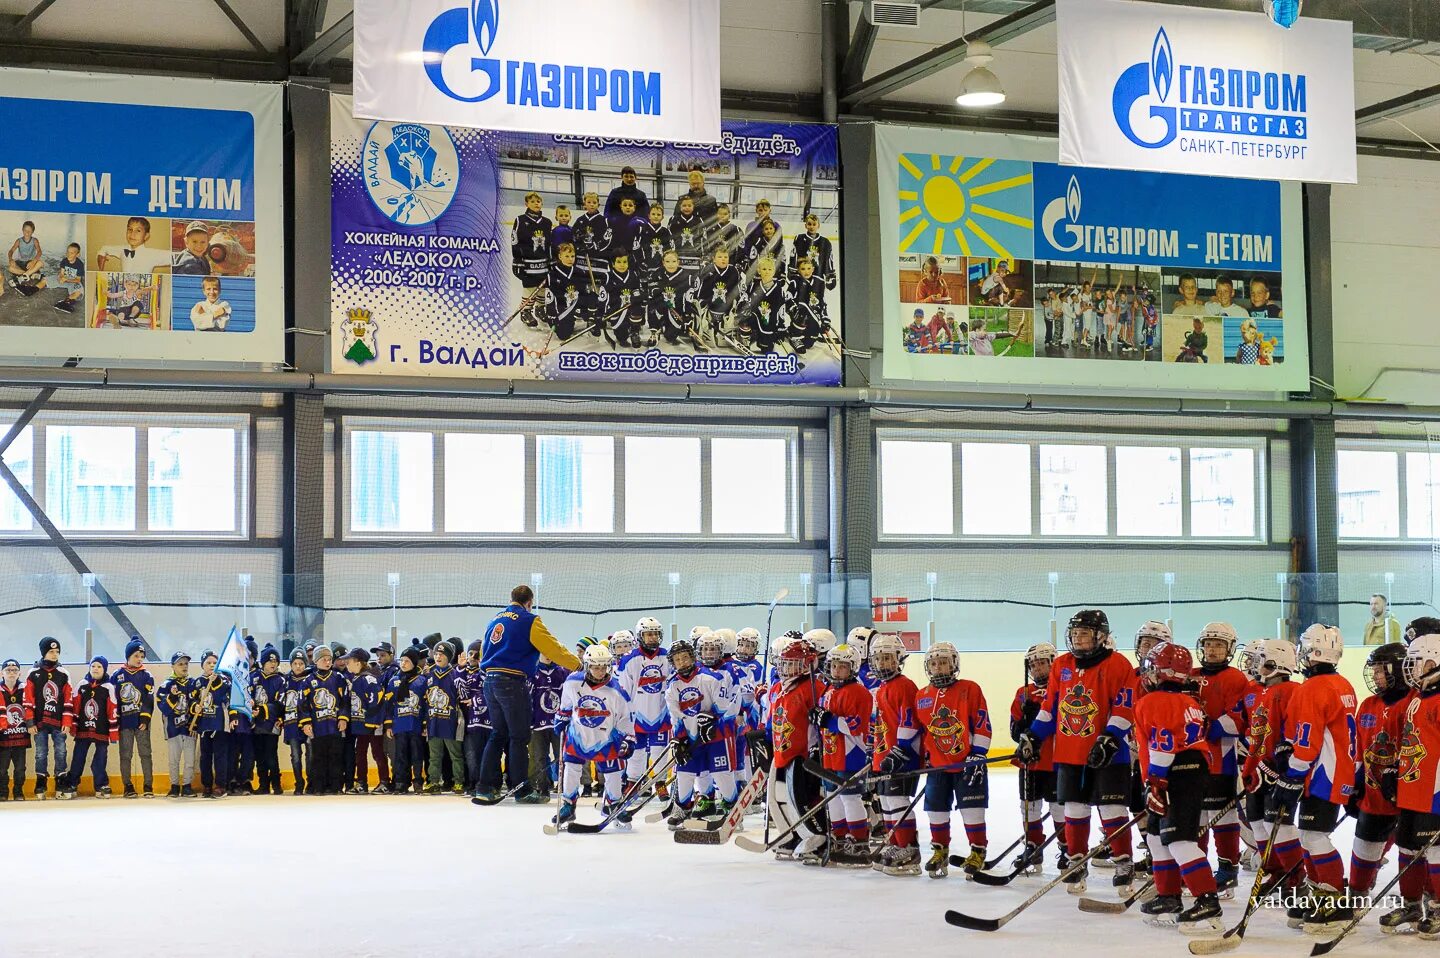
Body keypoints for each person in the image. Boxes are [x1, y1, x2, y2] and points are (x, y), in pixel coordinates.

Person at [1016, 609, 1137, 892]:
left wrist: (1110, 736)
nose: (1078, 638)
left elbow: (1125, 705)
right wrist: (1033, 736)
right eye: (1075, 634)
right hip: (1070, 753)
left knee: (1112, 808)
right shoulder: (1062, 665)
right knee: (1073, 807)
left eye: (1084, 633)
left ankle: (1123, 861)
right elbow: (1051, 708)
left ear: (1101, 636)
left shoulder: (1119, 664)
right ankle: (1076, 859)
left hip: (1108, 753)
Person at [1264, 625, 1358, 933]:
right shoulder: (1342, 683)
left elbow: (1308, 742)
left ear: (1311, 653)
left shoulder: (1312, 688)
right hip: (1337, 771)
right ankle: (1321, 893)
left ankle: (1335, 901)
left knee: (1315, 836)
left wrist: (1291, 774)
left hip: (1321, 775)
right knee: (1308, 835)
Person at [1133, 641, 1224, 932]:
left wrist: (1156, 784)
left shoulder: (1152, 702)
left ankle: (1207, 899)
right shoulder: (1189, 701)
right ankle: (1168, 895)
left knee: (1180, 840)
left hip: (1176, 772)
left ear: (1161, 671)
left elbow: (1163, 745)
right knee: (1157, 838)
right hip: (1189, 769)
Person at [476, 585, 581, 803]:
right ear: (530, 602)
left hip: (489, 681)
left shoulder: (494, 620)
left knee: (498, 734)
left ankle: (484, 787)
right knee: (519, 737)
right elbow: (553, 649)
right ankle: (520, 790)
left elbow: (483, 652)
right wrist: (577, 665)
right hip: (512, 682)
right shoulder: (529, 620)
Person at [913, 641, 992, 878]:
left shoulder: (970, 688)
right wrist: (923, 758)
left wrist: (978, 753)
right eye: (934, 664)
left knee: (972, 810)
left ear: (954, 664)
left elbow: (981, 721)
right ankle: (940, 850)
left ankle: (977, 851)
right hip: (938, 765)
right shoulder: (922, 695)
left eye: (944, 663)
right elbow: (922, 731)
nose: (939, 668)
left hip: (968, 762)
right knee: (936, 810)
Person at [1384, 633, 1440, 937]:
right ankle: (1411, 904)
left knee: (1436, 852)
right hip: (1411, 788)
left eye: (1419, 662)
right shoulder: (1417, 697)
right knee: (1406, 846)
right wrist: (1395, 768)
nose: (1413, 669)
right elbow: (1407, 740)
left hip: (1435, 792)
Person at [1239, 638, 1304, 895]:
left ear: (1276, 663)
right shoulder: (1263, 692)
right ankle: (1276, 871)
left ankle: (1296, 877)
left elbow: (1292, 735)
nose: (1256, 665)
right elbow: (1257, 735)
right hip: (1259, 769)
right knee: (1256, 822)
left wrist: (1278, 770)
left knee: (1279, 825)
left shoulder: (1292, 692)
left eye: (1262, 660)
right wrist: (1250, 767)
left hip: (1278, 772)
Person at [1348, 643, 1411, 907]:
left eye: (1380, 670)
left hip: (1407, 793)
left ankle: (1423, 897)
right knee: (1364, 844)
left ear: (1397, 669)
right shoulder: (1368, 704)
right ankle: (1358, 890)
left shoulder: (1413, 703)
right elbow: (1359, 750)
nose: (1375, 676)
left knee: (1413, 848)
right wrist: (1355, 783)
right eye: (1373, 670)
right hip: (1373, 794)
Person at [1190, 622, 1249, 894]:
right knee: (1196, 816)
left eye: (1218, 645)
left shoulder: (1235, 678)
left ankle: (1228, 869)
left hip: (1220, 759)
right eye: (1208, 644)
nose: (1212, 650)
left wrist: (1205, 727)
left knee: (1223, 816)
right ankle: (1196, 869)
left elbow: (1237, 720)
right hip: (1191, 759)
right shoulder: (1190, 675)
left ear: (1229, 649)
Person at [553, 644, 635, 829]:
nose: (600, 671)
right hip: (578, 735)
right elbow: (565, 706)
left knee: (612, 773)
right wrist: (561, 718)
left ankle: (614, 804)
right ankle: (568, 805)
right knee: (572, 768)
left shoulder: (617, 691)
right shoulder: (572, 682)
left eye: (604, 667)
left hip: (606, 739)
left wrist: (628, 739)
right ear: (587, 665)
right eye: (596, 667)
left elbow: (624, 719)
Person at [664, 636, 740, 828]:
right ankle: (683, 807)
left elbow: (723, 706)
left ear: (692, 656)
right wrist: (678, 740)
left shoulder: (712, 678)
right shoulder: (672, 687)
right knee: (684, 773)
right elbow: (677, 717)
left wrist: (713, 718)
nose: (681, 662)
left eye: (685, 657)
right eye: (677, 659)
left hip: (717, 737)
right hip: (691, 737)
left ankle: (732, 809)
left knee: (722, 773)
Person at [808, 643, 873, 867]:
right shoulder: (828, 691)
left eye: (842, 667)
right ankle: (839, 837)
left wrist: (828, 720)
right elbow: (823, 722)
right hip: (831, 754)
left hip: (852, 754)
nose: (836, 671)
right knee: (831, 797)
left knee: (850, 797)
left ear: (853, 668)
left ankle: (859, 842)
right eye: (834, 666)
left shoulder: (859, 692)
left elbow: (856, 725)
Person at [1011, 641, 1063, 874]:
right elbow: (1014, 732)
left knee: (1059, 808)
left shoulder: (1064, 688)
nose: (1037, 669)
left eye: (1042, 663)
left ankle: (1067, 848)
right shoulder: (1023, 694)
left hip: (1056, 759)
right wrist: (1023, 723)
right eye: (1033, 665)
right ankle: (1033, 846)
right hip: (1030, 761)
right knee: (1028, 807)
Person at [767, 635, 820, 860]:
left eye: (792, 663)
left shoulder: (814, 688)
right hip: (782, 751)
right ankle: (793, 834)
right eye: (785, 663)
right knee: (780, 797)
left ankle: (816, 836)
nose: (787, 668)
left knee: (800, 798)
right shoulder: (781, 687)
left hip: (802, 754)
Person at [60, 656, 119, 800]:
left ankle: (101, 785)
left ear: (104, 669)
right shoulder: (82, 685)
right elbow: (75, 706)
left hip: (101, 730)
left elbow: (112, 709)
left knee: (100, 758)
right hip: (83, 729)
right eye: (93, 666)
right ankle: (72, 783)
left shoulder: (108, 687)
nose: (95, 669)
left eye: (99, 666)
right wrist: (73, 726)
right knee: (78, 757)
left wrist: (113, 733)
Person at [299, 644, 349, 797]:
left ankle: (335, 786)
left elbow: (344, 700)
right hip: (318, 726)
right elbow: (302, 704)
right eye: (323, 659)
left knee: (335, 756)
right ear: (315, 661)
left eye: (329, 659)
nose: (327, 662)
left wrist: (343, 718)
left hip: (334, 726)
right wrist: (306, 722)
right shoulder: (308, 681)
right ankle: (318, 786)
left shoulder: (338, 678)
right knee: (318, 757)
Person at [25, 636, 71, 799]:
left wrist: (67, 721)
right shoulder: (33, 673)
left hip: (58, 721)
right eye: (51, 651)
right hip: (39, 722)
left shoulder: (63, 673)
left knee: (61, 751)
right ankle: (41, 781)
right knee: (41, 753)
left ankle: (61, 780)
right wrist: (30, 721)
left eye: (57, 651)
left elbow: (68, 699)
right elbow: (28, 700)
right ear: (44, 652)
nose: (54, 654)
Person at [414, 640, 462, 795]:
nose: (438, 656)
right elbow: (423, 699)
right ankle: (433, 781)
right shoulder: (428, 674)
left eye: (441, 654)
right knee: (434, 756)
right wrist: (423, 723)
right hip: (432, 721)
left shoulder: (455, 674)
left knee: (455, 754)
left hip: (450, 721)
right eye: (435, 653)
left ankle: (459, 781)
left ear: (449, 656)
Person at [110, 637, 155, 799]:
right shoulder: (117, 675)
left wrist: (145, 719)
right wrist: (116, 719)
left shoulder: (146, 675)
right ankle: (127, 785)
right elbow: (112, 698)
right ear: (128, 656)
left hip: (141, 722)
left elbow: (149, 698)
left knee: (145, 753)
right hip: (124, 722)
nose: (139, 659)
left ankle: (148, 785)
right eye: (136, 655)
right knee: (126, 754)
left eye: (142, 656)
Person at [190, 649, 233, 799]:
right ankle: (207, 785)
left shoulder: (224, 681)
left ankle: (220, 785)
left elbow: (227, 699)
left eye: (215, 663)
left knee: (220, 756)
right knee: (205, 757)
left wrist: (233, 717)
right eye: (208, 663)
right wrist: (194, 706)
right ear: (202, 665)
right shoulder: (198, 682)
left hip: (220, 725)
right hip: (205, 726)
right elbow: (192, 700)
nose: (212, 665)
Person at [344, 648, 386, 794]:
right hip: (360, 725)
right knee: (360, 753)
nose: (346, 664)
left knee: (378, 753)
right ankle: (361, 782)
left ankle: (384, 782)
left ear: (358, 662)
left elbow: (378, 698)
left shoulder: (369, 679)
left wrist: (372, 721)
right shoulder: (356, 678)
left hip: (372, 725)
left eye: (348, 661)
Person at [386, 644, 427, 795]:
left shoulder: (422, 681)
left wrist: (424, 724)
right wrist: (389, 724)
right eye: (401, 660)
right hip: (399, 724)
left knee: (417, 755)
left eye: (407, 661)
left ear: (414, 663)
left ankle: (417, 781)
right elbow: (389, 704)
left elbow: (425, 704)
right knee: (400, 755)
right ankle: (401, 782)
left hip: (415, 724)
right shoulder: (394, 681)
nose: (403, 663)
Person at [157, 652, 196, 797]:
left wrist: (195, 721)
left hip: (189, 728)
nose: (184, 666)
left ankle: (187, 785)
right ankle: (174, 786)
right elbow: (163, 708)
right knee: (174, 760)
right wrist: (172, 697)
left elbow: (196, 703)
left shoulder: (193, 683)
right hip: (172, 728)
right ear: (172, 666)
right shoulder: (166, 685)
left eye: (186, 663)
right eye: (180, 664)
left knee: (190, 760)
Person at [511, 192, 552, 327]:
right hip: (527, 262)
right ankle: (526, 311)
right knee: (529, 287)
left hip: (543, 262)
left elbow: (549, 243)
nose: (536, 203)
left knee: (543, 287)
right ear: (526, 204)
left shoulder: (547, 222)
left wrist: (551, 260)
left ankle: (540, 308)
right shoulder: (520, 220)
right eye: (533, 201)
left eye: (538, 201)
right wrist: (517, 259)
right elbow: (515, 240)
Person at [529, 653, 566, 800]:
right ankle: (542, 787)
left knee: (561, 757)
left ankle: (564, 786)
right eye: (544, 652)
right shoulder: (533, 672)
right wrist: (530, 721)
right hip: (538, 724)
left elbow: (567, 698)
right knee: (539, 757)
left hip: (558, 724)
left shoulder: (562, 672)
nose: (548, 655)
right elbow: (529, 697)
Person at [250, 646, 285, 795]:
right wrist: (251, 707)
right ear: (263, 662)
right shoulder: (254, 677)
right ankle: (263, 784)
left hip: (272, 724)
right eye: (270, 661)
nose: (273, 664)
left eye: (276, 661)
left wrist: (263, 710)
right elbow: (248, 696)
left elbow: (280, 703)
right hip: (256, 725)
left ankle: (276, 784)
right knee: (259, 756)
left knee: (271, 755)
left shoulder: (280, 680)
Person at [742, 257, 787, 353]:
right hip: (755, 315)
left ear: (774, 271)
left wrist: (780, 325)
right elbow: (747, 299)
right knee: (744, 320)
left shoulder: (778, 289)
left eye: (770, 269)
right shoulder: (754, 285)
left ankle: (761, 339)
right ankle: (747, 338)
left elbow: (781, 308)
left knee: (766, 348)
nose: (767, 272)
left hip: (769, 320)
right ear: (759, 271)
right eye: (764, 269)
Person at [281, 648, 310, 795]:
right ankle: (299, 782)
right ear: (291, 665)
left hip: (309, 723)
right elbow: (280, 703)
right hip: (291, 723)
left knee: (310, 754)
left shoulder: (310, 679)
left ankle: (311, 782)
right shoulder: (285, 681)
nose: (298, 666)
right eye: (295, 663)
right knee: (295, 755)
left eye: (301, 663)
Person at [0, 658, 30, 801]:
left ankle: (18, 791)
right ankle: (3, 792)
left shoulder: (25, 689)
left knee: (20, 769)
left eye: (15, 670)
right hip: (3, 737)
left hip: (20, 737)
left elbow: (30, 709)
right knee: (1, 769)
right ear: (2, 673)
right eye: (8, 670)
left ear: (19, 673)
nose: (11, 673)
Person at [97, 216, 170, 273]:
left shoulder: (152, 254)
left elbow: (175, 257)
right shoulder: (122, 250)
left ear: (146, 236)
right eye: (130, 229)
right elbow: (104, 248)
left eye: (138, 230)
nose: (132, 234)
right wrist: (101, 268)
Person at [787, 257, 828, 353]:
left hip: (813, 315)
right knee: (803, 310)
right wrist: (793, 309)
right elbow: (788, 298)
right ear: (798, 270)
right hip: (800, 312)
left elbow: (822, 302)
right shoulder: (795, 281)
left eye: (809, 268)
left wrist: (825, 320)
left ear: (813, 269)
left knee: (809, 343)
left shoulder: (819, 282)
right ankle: (794, 336)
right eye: (803, 269)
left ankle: (803, 333)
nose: (806, 272)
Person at [790, 214, 835, 291]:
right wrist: (792, 272)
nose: (812, 227)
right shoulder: (799, 239)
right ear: (805, 225)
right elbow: (794, 256)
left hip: (818, 276)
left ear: (818, 225)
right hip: (802, 275)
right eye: (809, 224)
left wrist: (830, 275)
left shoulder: (825, 242)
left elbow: (828, 260)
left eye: (814, 224)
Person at [669, 195, 708, 280]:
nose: (687, 208)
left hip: (694, 257)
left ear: (693, 207)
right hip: (678, 257)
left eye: (689, 205)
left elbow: (704, 238)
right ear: (680, 206)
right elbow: (669, 238)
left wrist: (704, 254)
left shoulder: (699, 220)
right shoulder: (673, 219)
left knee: (694, 281)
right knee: (679, 281)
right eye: (684, 205)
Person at [7, 220, 44, 289]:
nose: (27, 232)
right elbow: (11, 251)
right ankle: (29, 274)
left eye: (29, 231)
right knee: (10, 268)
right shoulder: (19, 241)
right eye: (25, 230)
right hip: (21, 263)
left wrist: (34, 261)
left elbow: (39, 251)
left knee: (40, 263)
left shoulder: (34, 240)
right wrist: (10, 259)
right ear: (22, 230)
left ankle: (23, 275)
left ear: (32, 232)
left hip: (30, 264)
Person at [54, 243, 84, 313]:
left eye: (72, 253)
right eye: (67, 252)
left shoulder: (80, 264)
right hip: (65, 278)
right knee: (46, 279)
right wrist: (60, 277)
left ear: (77, 254)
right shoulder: (64, 261)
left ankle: (66, 303)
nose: (68, 254)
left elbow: (78, 279)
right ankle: (33, 289)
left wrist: (67, 279)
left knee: (79, 292)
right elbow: (61, 273)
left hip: (74, 281)